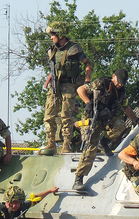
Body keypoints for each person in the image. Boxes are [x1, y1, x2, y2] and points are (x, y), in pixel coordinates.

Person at [72, 68, 139, 191]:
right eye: (118, 81)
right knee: (90, 147)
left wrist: (138, 121)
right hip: (91, 118)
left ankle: (104, 141)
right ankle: (79, 178)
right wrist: (88, 103)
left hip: (105, 118)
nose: (120, 84)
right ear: (113, 76)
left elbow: (126, 108)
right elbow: (80, 89)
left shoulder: (121, 92)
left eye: (122, 82)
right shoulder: (102, 83)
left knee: (120, 125)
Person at [41, 22, 93, 153]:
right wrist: (48, 82)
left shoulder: (74, 49)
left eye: (53, 34)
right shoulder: (51, 50)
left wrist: (87, 80)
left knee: (66, 117)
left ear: (60, 34)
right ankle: (51, 143)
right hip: (55, 86)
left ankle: (66, 144)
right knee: (48, 116)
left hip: (69, 85)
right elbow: (54, 69)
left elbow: (88, 64)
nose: (51, 37)